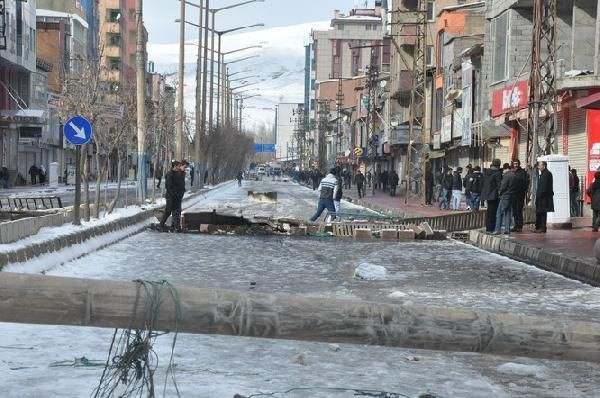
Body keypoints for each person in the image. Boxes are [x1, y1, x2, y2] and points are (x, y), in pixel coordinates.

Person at [159, 161, 186, 232]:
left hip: (177, 196)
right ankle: (161, 225)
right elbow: (168, 186)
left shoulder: (179, 173)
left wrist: (181, 192)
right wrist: (173, 194)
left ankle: (175, 227)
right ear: (175, 166)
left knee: (176, 211)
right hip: (171, 196)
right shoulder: (170, 174)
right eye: (178, 166)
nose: (179, 167)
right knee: (168, 211)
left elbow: (181, 184)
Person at [493, 163, 516, 235]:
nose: (502, 172)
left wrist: (500, 192)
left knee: (499, 213)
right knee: (508, 213)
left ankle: (497, 230)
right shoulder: (514, 175)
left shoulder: (506, 176)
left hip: (505, 196)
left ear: (505, 169)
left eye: (503, 170)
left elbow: (503, 186)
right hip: (512, 196)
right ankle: (507, 229)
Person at [481, 159, 502, 233]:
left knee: (489, 211)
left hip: (487, 195)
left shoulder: (486, 172)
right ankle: (492, 228)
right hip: (494, 195)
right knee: (494, 212)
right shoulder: (497, 173)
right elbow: (499, 185)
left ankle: (488, 227)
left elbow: (483, 182)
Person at [534, 161, 554, 233]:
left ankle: (542, 228)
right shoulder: (542, 174)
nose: (538, 167)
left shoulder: (547, 174)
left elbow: (544, 187)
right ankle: (538, 227)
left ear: (544, 166)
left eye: (539, 165)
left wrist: (540, 195)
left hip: (544, 197)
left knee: (542, 212)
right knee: (540, 212)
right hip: (541, 197)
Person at [511, 159, 529, 232]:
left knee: (519, 210)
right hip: (513, 194)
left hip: (520, 194)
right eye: (514, 164)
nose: (516, 165)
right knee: (514, 210)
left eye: (517, 164)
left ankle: (519, 226)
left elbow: (526, 183)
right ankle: (516, 225)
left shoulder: (522, 172)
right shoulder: (512, 172)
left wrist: (523, 190)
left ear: (519, 164)